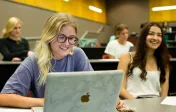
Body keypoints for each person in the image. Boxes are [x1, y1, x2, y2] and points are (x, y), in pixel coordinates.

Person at [0, 13, 124, 109]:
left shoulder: (77, 54)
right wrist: (43, 102)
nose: (67, 43)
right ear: (49, 36)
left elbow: (94, 87)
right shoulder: (34, 61)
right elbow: (3, 97)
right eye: (61, 37)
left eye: (71, 38)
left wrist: (111, 97)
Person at [118, 22, 170, 99]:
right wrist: (138, 104)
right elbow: (120, 88)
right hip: (133, 103)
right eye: (151, 34)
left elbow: (163, 95)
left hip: (155, 105)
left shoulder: (163, 62)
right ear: (143, 37)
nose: (155, 38)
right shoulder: (127, 57)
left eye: (159, 35)